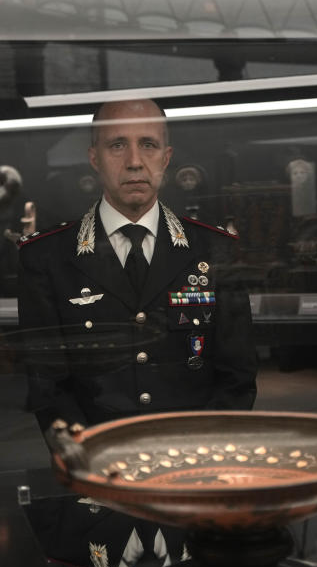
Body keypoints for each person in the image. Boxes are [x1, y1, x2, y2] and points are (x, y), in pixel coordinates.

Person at [17, 99, 257, 432]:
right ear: (94, 159)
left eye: (148, 145)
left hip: (195, 453)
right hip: (98, 456)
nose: (134, 162)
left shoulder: (214, 249)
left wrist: (205, 449)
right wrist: (88, 456)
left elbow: (237, 374)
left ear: (166, 157)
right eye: (117, 145)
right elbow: (47, 383)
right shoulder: (47, 257)